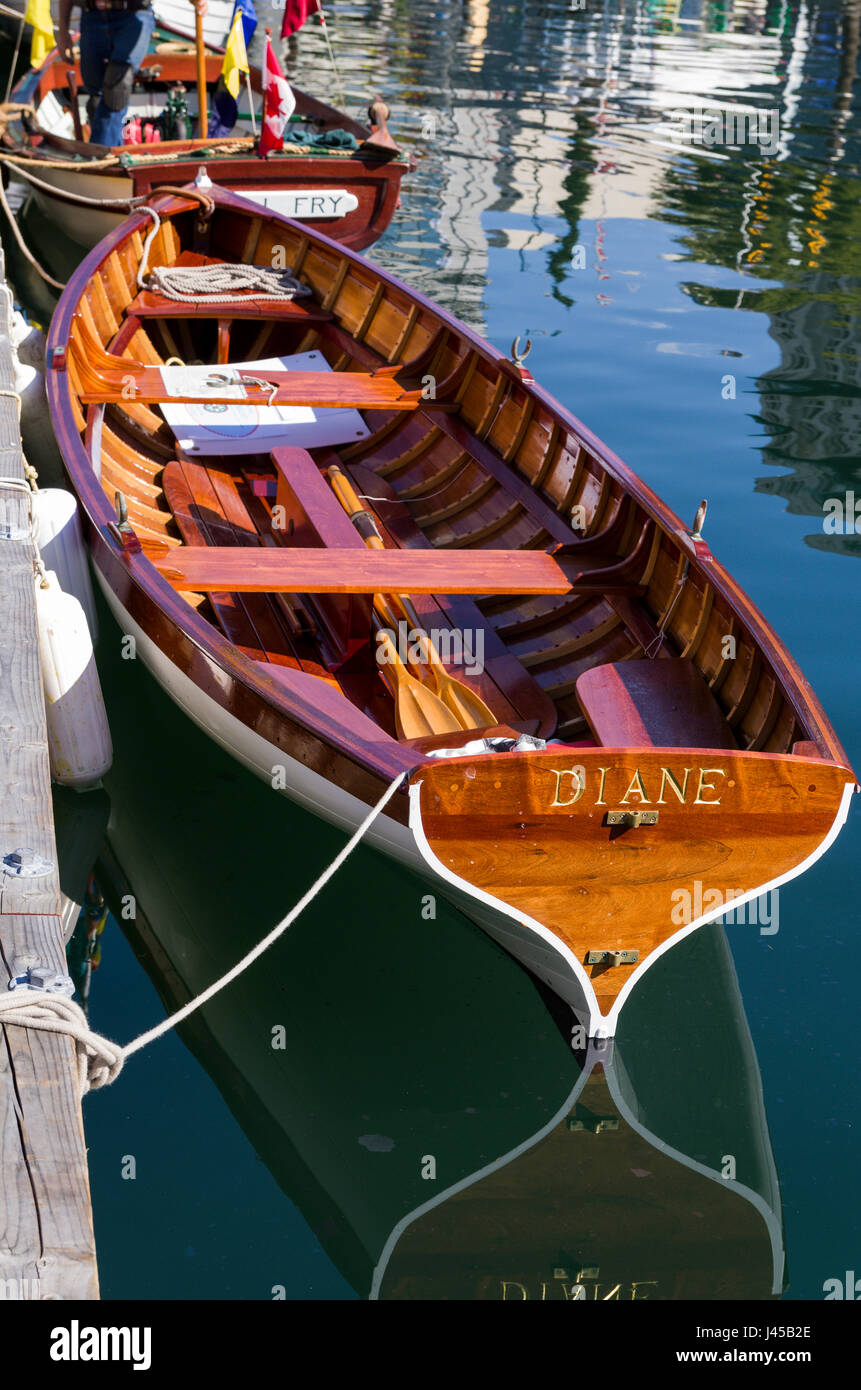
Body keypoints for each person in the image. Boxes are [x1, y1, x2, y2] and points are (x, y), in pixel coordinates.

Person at [57, 0, 207, 148]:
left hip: (133, 17)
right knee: (96, 101)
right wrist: (63, 32)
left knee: (116, 91)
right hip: (92, 17)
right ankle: (114, 152)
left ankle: (99, 156)